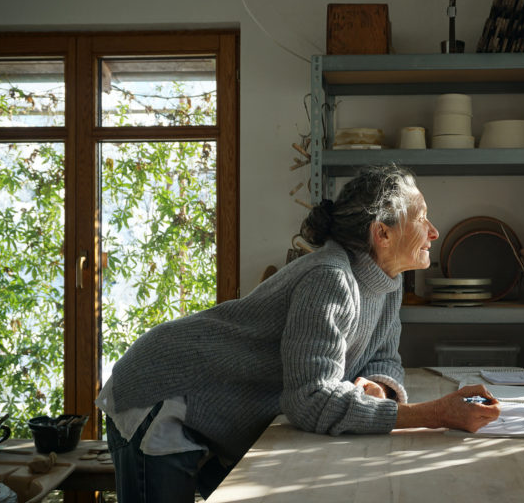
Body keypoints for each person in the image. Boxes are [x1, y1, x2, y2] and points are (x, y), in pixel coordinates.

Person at [96, 164, 501, 502]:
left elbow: (382, 357)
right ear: (382, 233)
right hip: (163, 387)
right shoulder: (331, 278)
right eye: (422, 217)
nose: (433, 231)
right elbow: (309, 398)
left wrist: (378, 385)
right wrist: (434, 414)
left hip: (213, 402)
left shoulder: (387, 283)